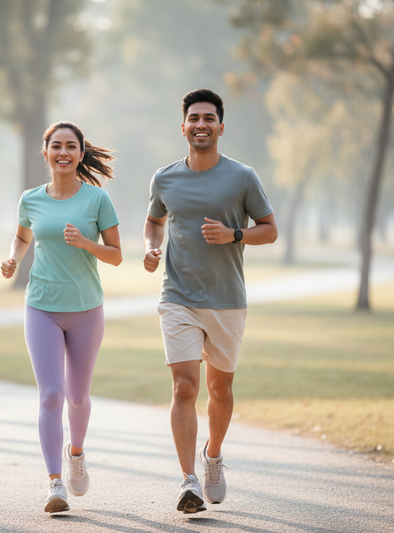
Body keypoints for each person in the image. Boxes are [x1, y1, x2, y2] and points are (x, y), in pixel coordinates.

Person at [143, 89, 277, 514]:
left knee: (220, 389)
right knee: (184, 386)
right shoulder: (164, 177)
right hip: (178, 295)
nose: (201, 124)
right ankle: (188, 482)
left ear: (221, 126)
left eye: (209, 118)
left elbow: (270, 229)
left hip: (226, 300)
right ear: (182, 127)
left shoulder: (242, 177)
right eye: (193, 118)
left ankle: (213, 456)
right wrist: (151, 246)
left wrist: (234, 234)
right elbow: (153, 219)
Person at [1, 121, 122, 514]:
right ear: (46, 152)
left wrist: (87, 243)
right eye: (56, 146)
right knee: (51, 394)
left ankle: (77, 452)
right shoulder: (31, 199)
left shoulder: (97, 200)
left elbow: (116, 254)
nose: (63, 152)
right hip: (41, 307)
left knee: (78, 396)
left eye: (71, 146)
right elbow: (22, 236)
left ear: (81, 153)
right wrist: (13, 259)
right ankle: (55, 482)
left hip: (87, 308)